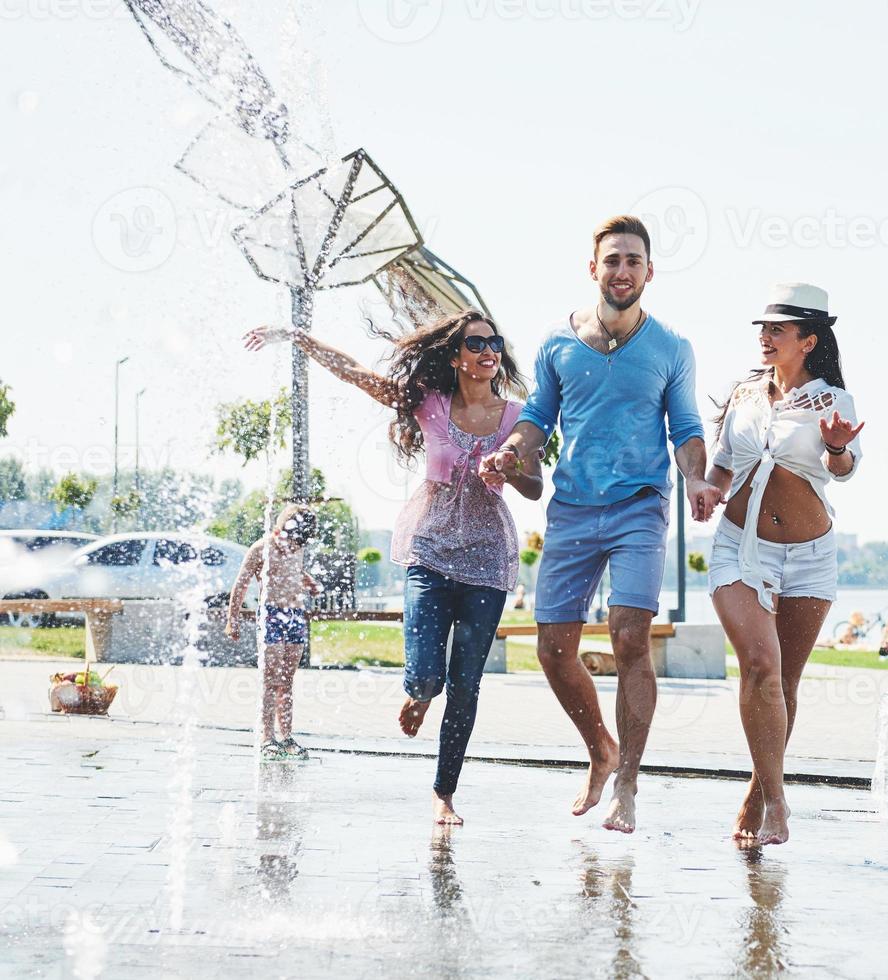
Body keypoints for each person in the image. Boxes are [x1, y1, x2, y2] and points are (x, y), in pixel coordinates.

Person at [244, 308, 539, 825]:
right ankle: (420, 693)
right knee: (427, 674)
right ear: (455, 356)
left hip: (487, 559)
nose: (488, 351)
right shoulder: (429, 404)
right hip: (428, 550)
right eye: (475, 344)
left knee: (466, 684)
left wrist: (510, 470)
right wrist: (299, 338)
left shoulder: (518, 417)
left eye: (494, 342)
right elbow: (359, 374)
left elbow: (535, 486)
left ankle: (444, 793)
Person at [480, 215, 720, 834]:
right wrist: (515, 452)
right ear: (594, 269)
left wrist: (694, 477)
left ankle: (630, 785)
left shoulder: (671, 347)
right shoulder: (557, 345)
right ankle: (600, 752)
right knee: (553, 650)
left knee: (629, 637)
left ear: (649, 272)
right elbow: (537, 417)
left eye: (633, 261)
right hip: (573, 509)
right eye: (612, 260)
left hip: (639, 507)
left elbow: (687, 428)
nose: (622, 271)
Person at [706, 281, 864, 846]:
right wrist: (707, 490)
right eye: (763, 328)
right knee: (760, 667)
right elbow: (723, 465)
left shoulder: (833, 403)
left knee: (784, 682)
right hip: (739, 549)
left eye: (778, 329)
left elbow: (841, 471)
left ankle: (756, 789)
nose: (765, 337)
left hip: (811, 556)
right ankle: (778, 802)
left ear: (808, 340)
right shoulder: (745, 396)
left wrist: (839, 447)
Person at [226, 504, 321, 763]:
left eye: (299, 541)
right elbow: (241, 583)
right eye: (291, 538)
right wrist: (232, 619)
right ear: (280, 528)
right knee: (270, 681)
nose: (293, 545)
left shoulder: (297, 546)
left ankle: (286, 737)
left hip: (295, 617)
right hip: (271, 616)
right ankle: (267, 738)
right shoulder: (260, 548)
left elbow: (293, 570)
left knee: (286, 682)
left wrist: (308, 581)